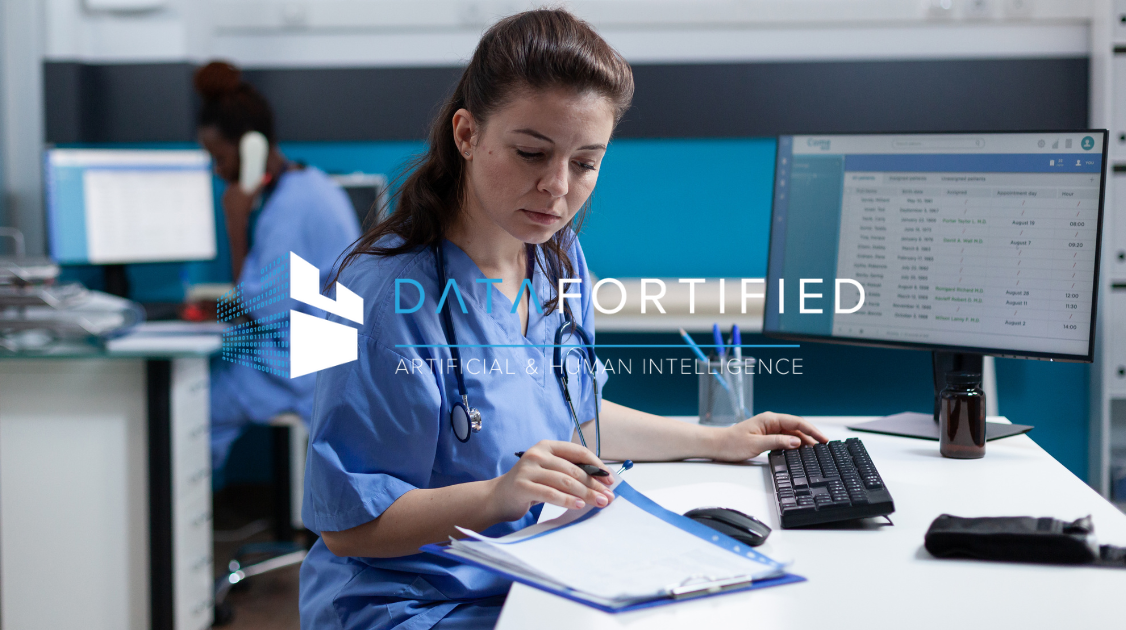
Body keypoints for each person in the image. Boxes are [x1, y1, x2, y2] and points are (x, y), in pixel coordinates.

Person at [299, 10, 827, 629]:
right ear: (466, 134)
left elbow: (573, 419)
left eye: (585, 163)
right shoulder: (382, 294)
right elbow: (349, 527)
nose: (556, 188)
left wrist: (719, 440)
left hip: (537, 575)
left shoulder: (558, 258)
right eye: (531, 153)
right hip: (416, 604)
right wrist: (498, 495)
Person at [194, 61, 362, 470]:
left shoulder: (286, 209)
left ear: (251, 146)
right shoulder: (311, 184)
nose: (218, 172)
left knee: (191, 409)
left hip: (306, 368)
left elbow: (253, 308)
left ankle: (183, 525)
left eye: (219, 157)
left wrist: (235, 222)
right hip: (322, 354)